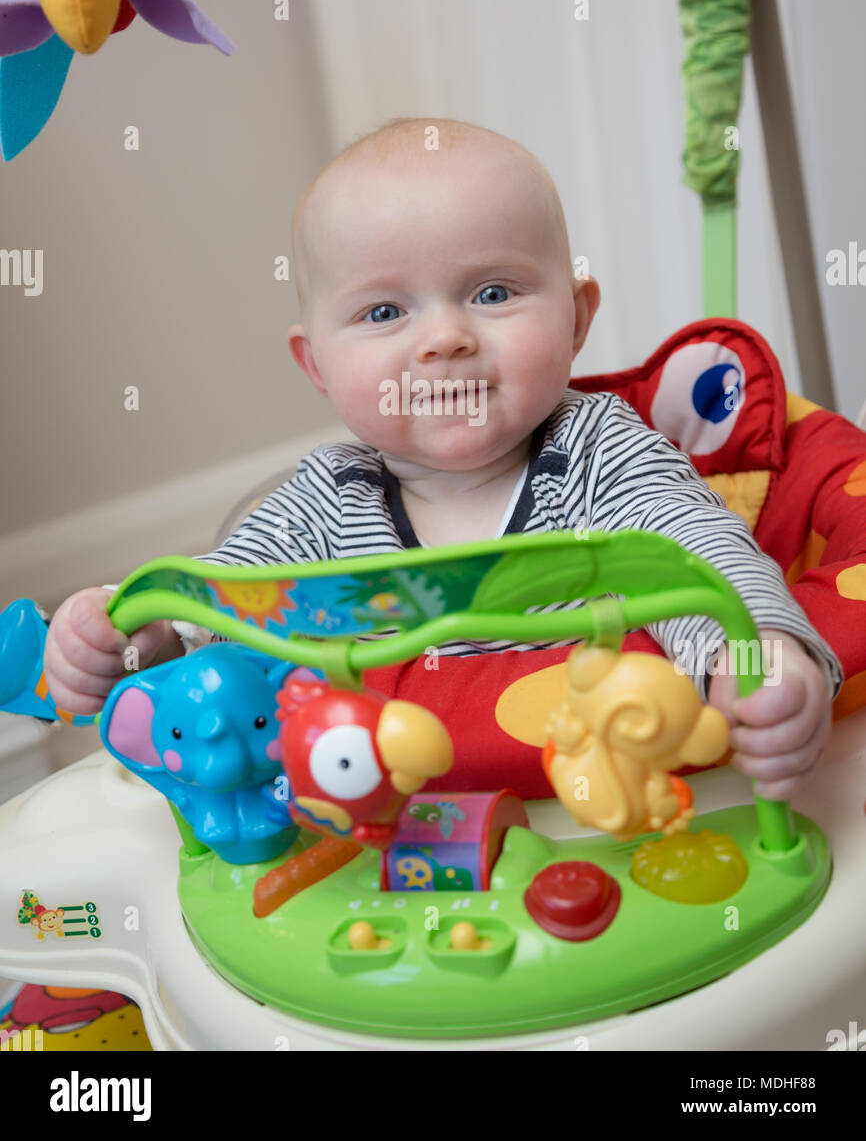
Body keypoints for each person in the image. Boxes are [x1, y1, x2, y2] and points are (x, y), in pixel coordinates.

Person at [44, 118, 840, 800]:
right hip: (386, 831)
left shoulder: (600, 450)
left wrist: (759, 662)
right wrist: (139, 635)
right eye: (383, 311)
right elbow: (225, 605)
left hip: (613, 807)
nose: (444, 338)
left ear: (575, 319)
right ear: (318, 365)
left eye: (493, 293)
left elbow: (700, 562)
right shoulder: (326, 502)